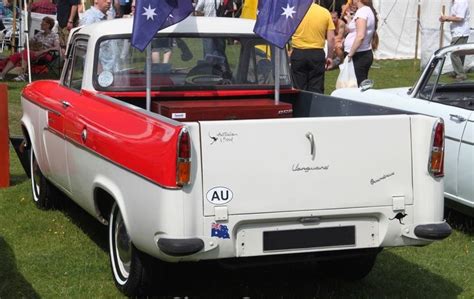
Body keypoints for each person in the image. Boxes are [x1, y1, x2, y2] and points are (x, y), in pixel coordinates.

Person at [290, 2, 335, 94]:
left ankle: (300, 107)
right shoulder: (325, 12)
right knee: (316, 87)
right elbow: (331, 38)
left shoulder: (294, 11)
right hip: (316, 52)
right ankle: (315, 107)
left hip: (299, 52)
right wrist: (330, 56)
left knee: (298, 87)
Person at [0, 16, 59, 81]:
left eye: (42, 24)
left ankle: (22, 75)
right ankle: (2, 74)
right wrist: (29, 42)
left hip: (46, 54)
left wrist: (46, 50)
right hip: (34, 53)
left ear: (48, 25)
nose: (41, 25)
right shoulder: (39, 34)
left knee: (25, 52)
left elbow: (57, 47)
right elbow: (28, 43)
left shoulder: (54, 35)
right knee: (17, 55)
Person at [343, 0, 378, 86]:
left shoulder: (362, 13)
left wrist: (350, 54)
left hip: (358, 55)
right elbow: (355, 30)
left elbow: (360, 36)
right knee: (358, 84)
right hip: (362, 53)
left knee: (356, 85)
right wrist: (349, 19)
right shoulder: (366, 11)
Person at [439, 0, 471, 81]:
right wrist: (445, 19)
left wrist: (446, 17)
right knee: (460, 54)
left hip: (461, 32)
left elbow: (459, 18)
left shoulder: (461, 2)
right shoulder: (454, 2)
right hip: (458, 32)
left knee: (454, 53)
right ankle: (458, 72)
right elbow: (454, 17)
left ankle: (461, 74)